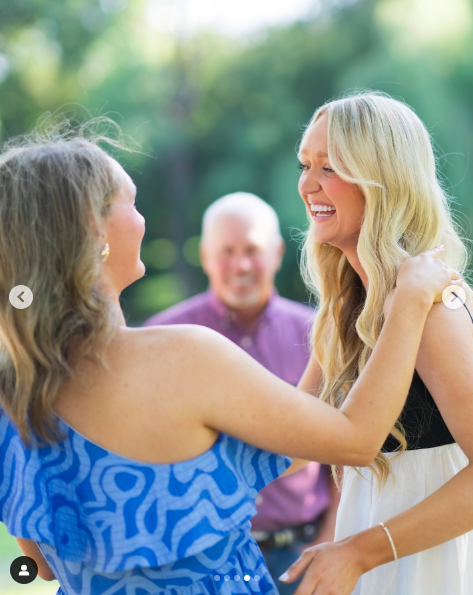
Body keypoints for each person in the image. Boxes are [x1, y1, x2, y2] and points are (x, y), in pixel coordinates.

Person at [0, 123, 460, 595]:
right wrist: (406, 305)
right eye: (132, 202)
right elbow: (356, 440)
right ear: (94, 232)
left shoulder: (12, 391)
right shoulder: (184, 357)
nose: (142, 219)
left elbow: (42, 562)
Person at [279, 91, 473, 595]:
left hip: (426, 569)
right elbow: (296, 439)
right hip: (371, 562)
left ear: (383, 179)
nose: (308, 184)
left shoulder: (432, 309)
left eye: (330, 167)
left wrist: (359, 553)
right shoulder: (345, 305)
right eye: (305, 165)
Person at [144, 192, 340, 594]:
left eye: (252, 249)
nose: (241, 264)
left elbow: (344, 454)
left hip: (303, 554)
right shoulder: (159, 340)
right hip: (203, 564)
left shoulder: (321, 336)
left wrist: (331, 541)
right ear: (204, 254)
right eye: (227, 251)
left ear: (277, 252)